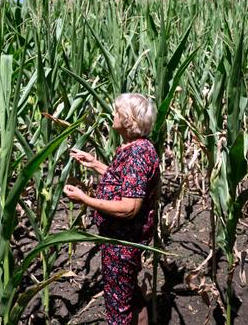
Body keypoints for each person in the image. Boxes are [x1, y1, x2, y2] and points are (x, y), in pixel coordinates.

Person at [64, 93, 160, 325]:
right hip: (122, 240)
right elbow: (127, 182)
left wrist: (86, 199)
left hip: (122, 243)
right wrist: (94, 163)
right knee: (131, 294)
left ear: (128, 120)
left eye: (117, 112)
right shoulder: (139, 147)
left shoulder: (137, 155)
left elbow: (129, 208)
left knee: (118, 306)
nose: (113, 115)